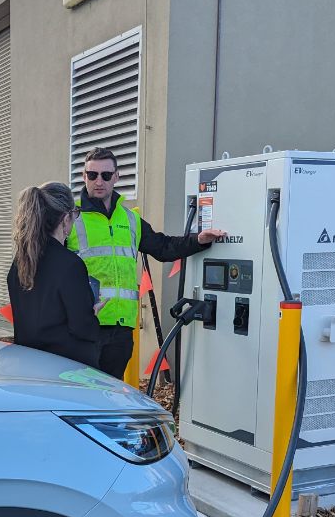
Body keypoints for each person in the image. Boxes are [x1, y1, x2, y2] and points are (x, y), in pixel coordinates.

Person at [66, 147, 227, 378]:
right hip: (86, 325)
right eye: (92, 175)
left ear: (117, 177)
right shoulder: (73, 218)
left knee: (111, 396)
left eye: (106, 175)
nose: (98, 181)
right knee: (83, 395)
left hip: (122, 328)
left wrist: (198, 240)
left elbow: (163, 247)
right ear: (84, 177)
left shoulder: (130, 219)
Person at [7, 183, 102, 367]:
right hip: (66, 369)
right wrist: (93, 313)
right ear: (65, 218)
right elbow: (82, 328)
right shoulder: (70, 265)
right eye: (75, 214)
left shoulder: (20, 262)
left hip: (28, 365)